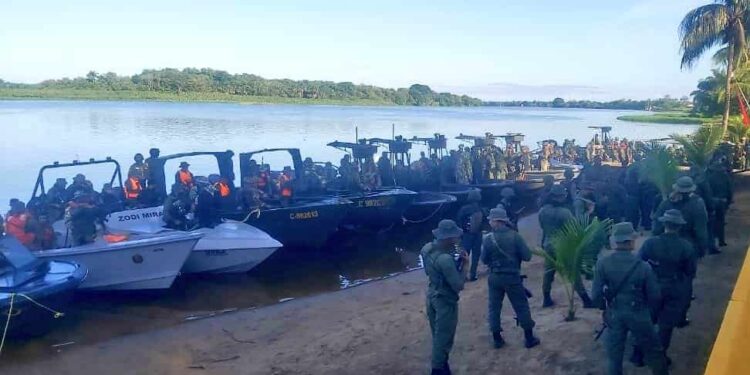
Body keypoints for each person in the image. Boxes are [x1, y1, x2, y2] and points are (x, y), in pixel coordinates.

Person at [591, 222, 668, 375]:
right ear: (631, 241)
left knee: (615, 357)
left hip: (615, 312)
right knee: (654, 352)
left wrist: (604, 309)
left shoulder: (603, 263)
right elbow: (655, 296)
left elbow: (596, 294)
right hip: (639, 312)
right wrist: (649, 314)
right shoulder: (643, 266)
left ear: (616, 241)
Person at [635, 210, 696, 366]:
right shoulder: (686, 246)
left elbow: (639, 263)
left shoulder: (650, 243)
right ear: (679, 227)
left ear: (664, 224)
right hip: (674, 288)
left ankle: (638, 354)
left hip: (652, 286)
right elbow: (690, 272)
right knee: (666, 325)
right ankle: (659, 356)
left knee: (647, 321)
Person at [481, 208, 539, 349]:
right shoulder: (514, 236)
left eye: (490, 219)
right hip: (512, 277)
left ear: (496, 221)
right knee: (521, 306)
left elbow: (484, 260)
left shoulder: (488, 239)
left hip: (494, 277)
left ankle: (497, 339)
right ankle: (529, 338)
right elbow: (527, 256)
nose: (489, 221)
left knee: (494, 307)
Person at [421, 219, 468, 375]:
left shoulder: (426, 249)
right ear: (448, 238)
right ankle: (438, 370)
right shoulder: (446, 259)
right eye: (454, 236)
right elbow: (459, 285)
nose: (457, 239)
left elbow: (430, 271)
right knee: (444, 338)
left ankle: (444, 367)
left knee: (437, 335)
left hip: (432, 294)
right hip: (445, 300)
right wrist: (465, 265)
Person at [539, 185, 594, 308]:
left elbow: (543, 228)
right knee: (573, 272)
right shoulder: (565, 213)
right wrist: (589, 212)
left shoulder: (543, 211)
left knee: (548, 272)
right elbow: (575, 229)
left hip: (548, 243)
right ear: (560, 197)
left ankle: (546, 298)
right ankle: (586, 300)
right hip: (563, 246)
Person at [456, 190, 484, 282]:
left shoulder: (464, 209)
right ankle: (473, 274)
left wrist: (460, 234)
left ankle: (458, 273)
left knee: (464, 254)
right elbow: (483, 222)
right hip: (478, 234)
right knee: (476, 255)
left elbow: (459, 221)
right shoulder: (480, 208)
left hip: (467, 234)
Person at [707, 160, 732, 247]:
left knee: (713, 222)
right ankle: (721, 241)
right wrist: (729, 202)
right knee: (721, 222)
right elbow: (730, 190)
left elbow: (708, 191)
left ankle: (713, 242)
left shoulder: (710, 178)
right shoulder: (725, 177)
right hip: (723, 201)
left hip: (713, 201)